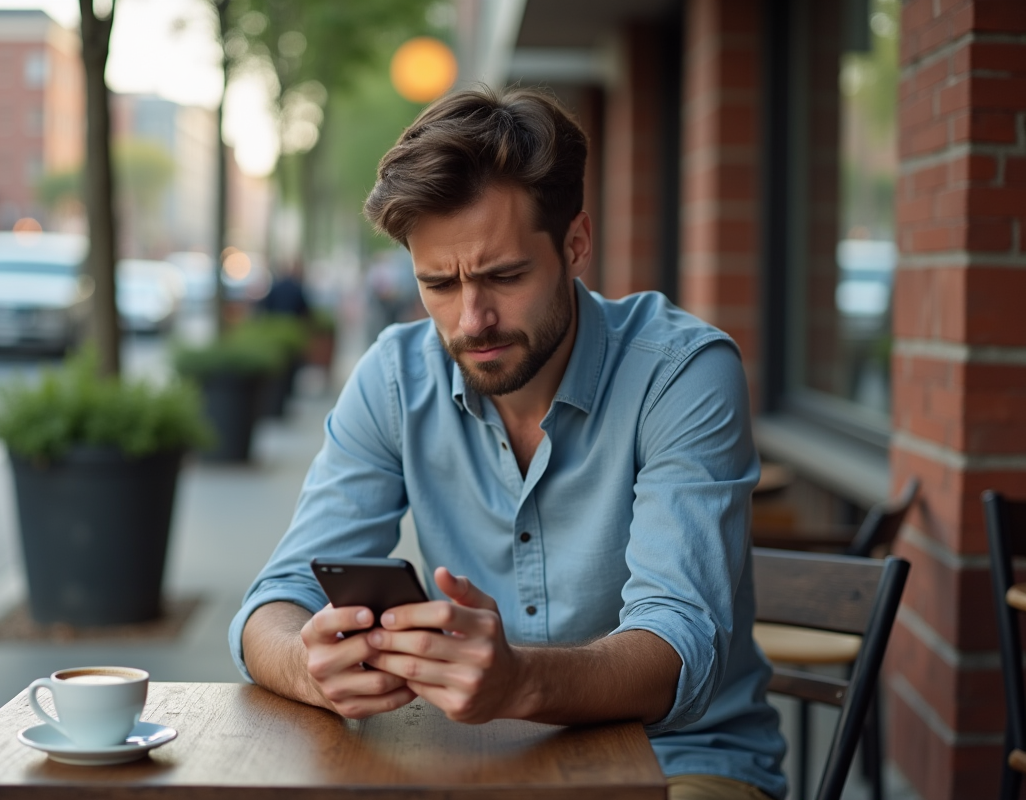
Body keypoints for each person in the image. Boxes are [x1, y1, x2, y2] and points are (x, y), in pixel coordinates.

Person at [229, 88, 786, 800]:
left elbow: (679, 646)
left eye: (505, 276)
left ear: (576, 243)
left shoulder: (682, 375)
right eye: (438, 283)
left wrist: (519, 680)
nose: (472, 320)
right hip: (471, 758)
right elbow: (275, 602)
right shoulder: (395, 379)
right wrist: (309, 667)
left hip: (679, 760)